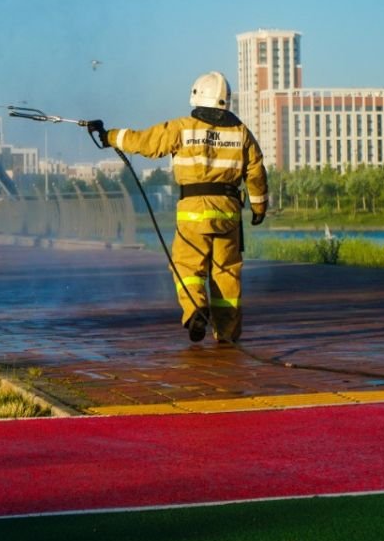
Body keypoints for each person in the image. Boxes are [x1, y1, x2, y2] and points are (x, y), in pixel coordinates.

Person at [88, 71, 267, 344]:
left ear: (197, 97)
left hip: (193, 212)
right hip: (228, 213)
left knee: (187, 266)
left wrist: (109, 136)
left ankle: (196, 310)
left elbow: (145, 141)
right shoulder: (241, 132)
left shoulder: (183, 127)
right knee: (226, 273)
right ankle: (228, 333)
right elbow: (255, 172)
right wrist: (258, 207)